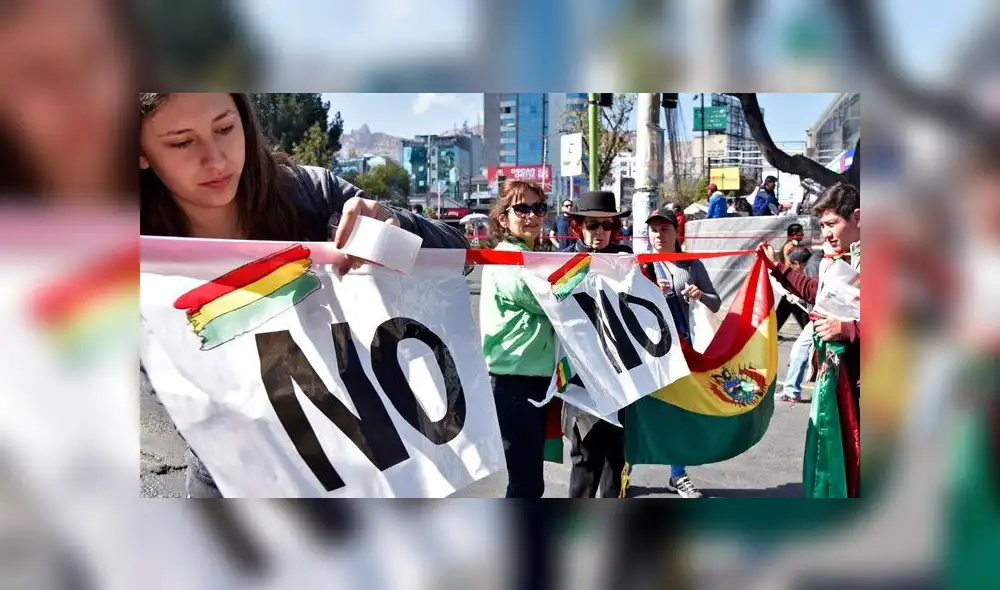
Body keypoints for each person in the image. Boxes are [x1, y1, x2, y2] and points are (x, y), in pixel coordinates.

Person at [139, 93, 468, 497]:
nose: (217, 160)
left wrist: (392, 226)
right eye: (182, 142)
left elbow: (457, 255)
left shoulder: (312, 194)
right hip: (232, 479)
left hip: (361, 465)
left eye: (225, 129)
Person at [760, 182, 860, 494]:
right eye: (822, 226)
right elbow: (819, 293)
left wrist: (846, 330)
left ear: (858, 217)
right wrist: (779, 269)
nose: (827, 233)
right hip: (838, 378)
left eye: (832, 224)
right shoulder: (839, 258)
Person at [480, 179, 555, 498]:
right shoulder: (508, 256)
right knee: (525, 483)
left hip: (534, 381)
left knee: (528, 481)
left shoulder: (529, 254)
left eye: (538, 208)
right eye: (522, 208)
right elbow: (544, 299)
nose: (532, 215)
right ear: (502, 218)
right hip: (514, 383)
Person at [641, 208, 721, 498]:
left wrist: (699, 295)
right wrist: (648, 290)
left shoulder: (690, 264)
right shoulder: (639, 264)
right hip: (644, 350)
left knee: (678, 412)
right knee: (639, 411)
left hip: (681, 348)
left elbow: (715, 302)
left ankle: (677, 475)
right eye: (653, 230)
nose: (658, 235)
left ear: (676, 233)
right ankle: (621, 474)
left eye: (664, 229)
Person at [560, 190, 632, 498]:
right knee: (585, 459)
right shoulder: (562, 262)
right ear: (578, 227)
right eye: (592, 225)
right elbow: (555, 301)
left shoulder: (627, 259)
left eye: (606, 225)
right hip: (580, 378)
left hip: (621, 377)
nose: (600, 232)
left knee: (615, 462)